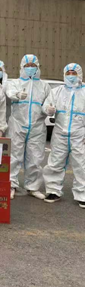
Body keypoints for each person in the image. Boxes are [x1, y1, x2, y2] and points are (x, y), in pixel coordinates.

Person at [6, 54, 51, 200]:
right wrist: (17, 94)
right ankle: (11, 185)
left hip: (37, 126)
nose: (30, 68)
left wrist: (48, 109)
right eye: (27, 65)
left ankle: (33, 187)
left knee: (35, 157)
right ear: (22, 67)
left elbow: (48, 102)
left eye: (33, 65)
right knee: (14, 156)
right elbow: (9, 92)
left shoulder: (44, 86)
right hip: (17, 124)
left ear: (37, 67)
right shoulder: (15, 83)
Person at [42, 63, 85, 208]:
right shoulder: (57, 91)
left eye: (74, 73)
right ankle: (53, 190)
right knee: (55, 162)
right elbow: (46, 106)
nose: (71, 76)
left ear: (79, 74)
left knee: (81, 164)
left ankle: (83, 194)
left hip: (79, 133)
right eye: (68, 73)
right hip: (60, 132)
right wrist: (48, 109)